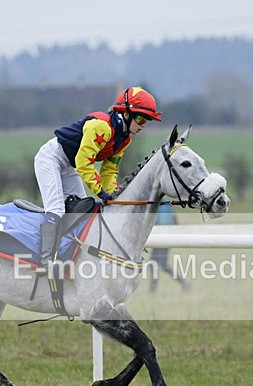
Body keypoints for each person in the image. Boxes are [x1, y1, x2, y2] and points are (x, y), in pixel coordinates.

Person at [33, 86, 162, 273]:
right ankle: (43, 261)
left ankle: (70, 253)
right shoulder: (101, 126)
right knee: (57, 208)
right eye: (141, 118)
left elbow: (109, 170)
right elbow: (84, 162)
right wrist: (100, 192)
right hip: (51, 158)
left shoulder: (125, 139)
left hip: (70, 166)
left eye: (147, 121)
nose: (143, 125)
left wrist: (113, 195)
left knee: (83, 210)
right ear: (125, 113)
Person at [150, 203, 189, 292]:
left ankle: (183, 283)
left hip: (160, 238)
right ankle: (153, 288)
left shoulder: (157, 204)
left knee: (158, 264)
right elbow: (174, 220)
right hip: (165, 238)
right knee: (157, 264)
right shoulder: (167, 204)